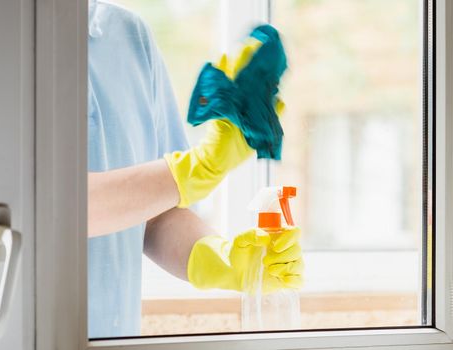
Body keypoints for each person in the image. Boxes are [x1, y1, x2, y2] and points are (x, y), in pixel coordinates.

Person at [87, 0, 303, 338]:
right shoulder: (1, 39)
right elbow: (48, 208)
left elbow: (156, 212)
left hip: (113, 338)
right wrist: (199, 167)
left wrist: (225, 261)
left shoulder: (131, 37)